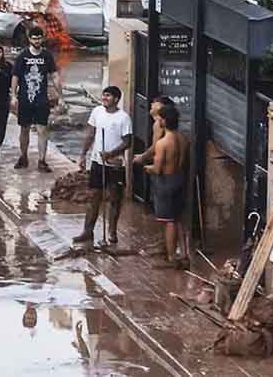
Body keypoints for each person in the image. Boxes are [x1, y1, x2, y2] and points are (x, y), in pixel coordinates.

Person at [73, 86, 133, 246]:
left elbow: (128, 142)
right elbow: (90, 134)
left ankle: (112, 232)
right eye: (104, 95)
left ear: (116, 99)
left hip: (115, 165)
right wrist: (83, 154)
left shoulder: (123, 118)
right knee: (94, 197)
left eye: (108, 96)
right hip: (97, 163)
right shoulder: (97, 112)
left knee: (115, 199)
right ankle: (87, 231)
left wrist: (111, 154)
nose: (104, 98)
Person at [139, 103, 190, 267]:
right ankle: (183, 254)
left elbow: (158, 169)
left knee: (169, 221)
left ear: (164, 121)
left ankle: (171, 257)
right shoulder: (183, 138)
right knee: (178, 218)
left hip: (166, 182)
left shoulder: (163, 143)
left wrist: (147, 167)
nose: (157, 121)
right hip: (179, 179)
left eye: (159, 118)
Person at [11, 26, 62, 172]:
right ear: (29, 39)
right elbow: (15, 76)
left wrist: (60, 96)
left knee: (42, 129)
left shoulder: (47, 56)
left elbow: (54, 76)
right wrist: (13, 95)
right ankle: (23, 156)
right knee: (24, 129)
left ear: (42, 38)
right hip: (25, 98)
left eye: (39, 38)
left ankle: (42, 160)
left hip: (41, 99)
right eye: (34, 38)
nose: (37, 40)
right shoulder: (23, 56)